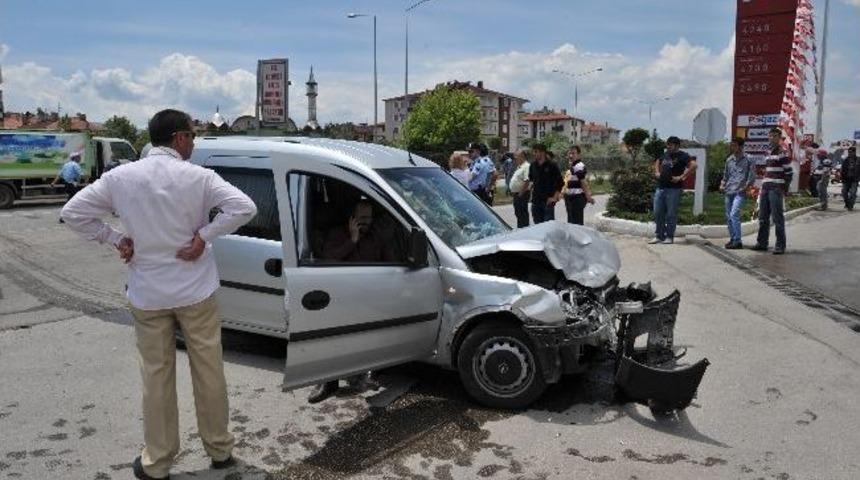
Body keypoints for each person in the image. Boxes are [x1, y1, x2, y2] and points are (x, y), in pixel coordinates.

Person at [60, 109, 257, 480]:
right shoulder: (199, 177)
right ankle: (219, 451)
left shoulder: (120, 177)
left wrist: (116, 238)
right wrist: (204, 237)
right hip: (196, 290)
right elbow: (244, 208)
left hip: (148, 293)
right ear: (180, 138)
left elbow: (72, 213)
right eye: (192, 137)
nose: (194, 144)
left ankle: (158, 462)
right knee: (209, 371)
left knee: (156, 376)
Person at [309, 199, 394, 403]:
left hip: (369, 296)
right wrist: (353, 240)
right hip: (342, 297)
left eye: (369, 218)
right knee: (332, 337)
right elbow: (330, 258)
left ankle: (370, 375)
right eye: (362, 218)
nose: (366, 222)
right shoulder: (338, 234)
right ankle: (328, 383)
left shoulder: (375, 237)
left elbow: (390, 262)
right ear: (352, 218)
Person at [752, 128, 793, 254]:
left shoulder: (783, 152)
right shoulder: (767, 152)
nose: (772, 138)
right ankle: (762, 243)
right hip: (765, 187)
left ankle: (780, 245)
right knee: (763, 217)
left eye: (775, 136)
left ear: (779, 138)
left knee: (777, 218)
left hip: (776, 188)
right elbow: (768, 170)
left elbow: (789, 173)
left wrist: (783, 189)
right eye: (770, 136)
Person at [649, 136, 696, 244]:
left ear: (677, 145)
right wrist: (657, 172)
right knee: (658, 212)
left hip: (674, 189)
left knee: (671, 214)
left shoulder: (683, 156)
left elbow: (693, 165)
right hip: (660, 187)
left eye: (670, 144)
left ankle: (669, 236)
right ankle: (659, 235)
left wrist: (681, 177)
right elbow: (657, 161)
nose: (668, 146)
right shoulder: (665, 154)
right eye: (667, 144)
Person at [719, 138, 756, 249]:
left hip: (740, 191)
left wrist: (746, 186)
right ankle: (733, 238)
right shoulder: (729, 160)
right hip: (729, 190)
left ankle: (737, 241)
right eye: (731, 145)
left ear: (741, 146)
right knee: (728, 216)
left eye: (734, 145)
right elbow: (726, 175)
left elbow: (752, 175)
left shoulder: (749, 159)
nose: (732, 147)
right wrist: (722, 184)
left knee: (734, 214)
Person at [527, 143, 563, 224]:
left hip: (548, 202)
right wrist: (529, 189)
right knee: (537, 227)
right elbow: (531, 180)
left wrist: (554, 197)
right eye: (533, 152)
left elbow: (560, 183)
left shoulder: (552, 165)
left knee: (548, 228)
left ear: (542, 152)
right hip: (536, 201)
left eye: (536, 152)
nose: (534, 154)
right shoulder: (533, 165)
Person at [562, 145, 594, 225]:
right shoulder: (573, 165)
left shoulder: (579, 166)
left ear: (579, 155)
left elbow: (583, 182)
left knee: (577, 222)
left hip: (577, 197)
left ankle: (579, 237)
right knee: (571, 221)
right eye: (569, 153)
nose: (570, 155)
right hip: (570, 197)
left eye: (573, 153)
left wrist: (588, 196)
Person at [508, 150, 531, 228]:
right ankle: (521, 228)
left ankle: (524, 229)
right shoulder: (519, 167)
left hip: (522, 193)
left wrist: (521, 193)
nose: (515, 158)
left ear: (522, 156)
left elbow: (527, 181)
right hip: (517, 193)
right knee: (518, 213)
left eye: (516, 156)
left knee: (522, 213)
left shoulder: (526, 166)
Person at [841, 146, 859, 211]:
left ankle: (850, 206)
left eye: (851, 152)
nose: (849, 153)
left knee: (853, 193)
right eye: (849, 152)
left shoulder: (858, 160)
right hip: (846, 179)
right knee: (844, 192)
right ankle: (847, 203)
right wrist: (842, 178)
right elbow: (842, 170)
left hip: (854, 179)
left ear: (854, 152)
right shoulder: (846, 160)